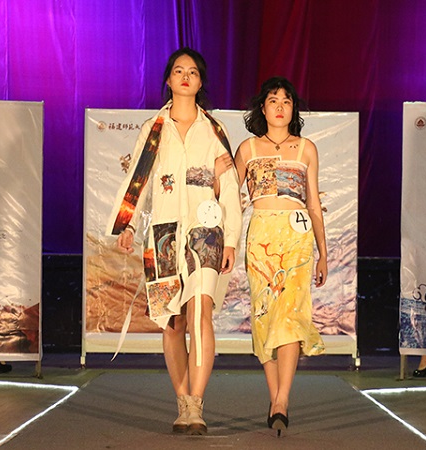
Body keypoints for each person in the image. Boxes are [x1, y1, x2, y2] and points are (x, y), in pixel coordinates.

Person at [107, 47, 242, 435]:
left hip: (206, 233)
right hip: (163, 235)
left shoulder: (214, 130)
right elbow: (138, 178)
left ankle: (196, 404)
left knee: (200, 313)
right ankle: (182, 401)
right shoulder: (154, 128)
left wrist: (230, 239)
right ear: (168, 79)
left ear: (200, 82)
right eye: (179, 70)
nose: (186, 76)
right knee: (172, 321)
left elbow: (229, 186)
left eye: (193, 72)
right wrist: (127, 225)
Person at [222, 76, 328, 436]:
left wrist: (323, 253)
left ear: (293, 108)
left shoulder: (306, 148)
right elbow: (229, 197)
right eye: (273, 100)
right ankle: (275, 398)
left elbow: (313, 205)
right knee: (265, 318)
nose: (280, 107)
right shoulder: (248, 148)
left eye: (286, 101)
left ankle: (282, 400)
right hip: (261, 239)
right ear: (262, 108)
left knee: (291, 318)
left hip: (297, 240)